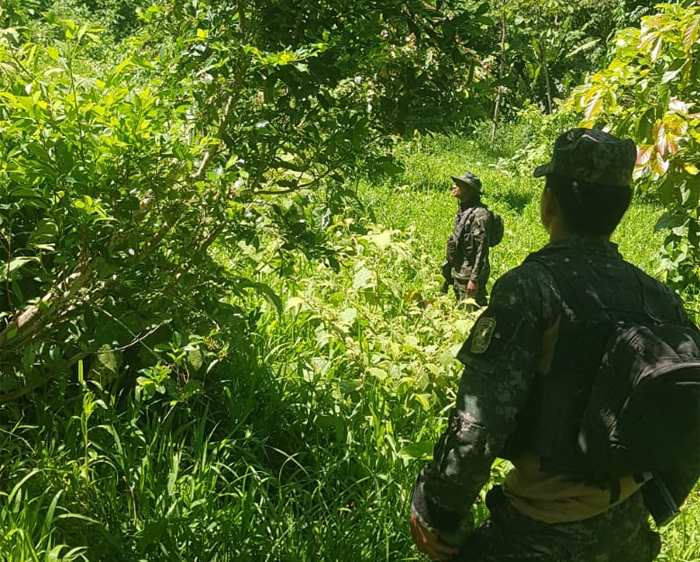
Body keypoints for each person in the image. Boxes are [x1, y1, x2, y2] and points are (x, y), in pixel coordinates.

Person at [410, 128, 699, 561]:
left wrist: (437, 510)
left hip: (536, 533)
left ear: (549, 201)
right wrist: (659, 498)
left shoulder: (530, 290)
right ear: (620, 208)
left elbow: (480, 422)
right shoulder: (659, 298)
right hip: (627, 531)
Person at [443, 171, 491, 306]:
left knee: (473, 313)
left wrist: (474, 279)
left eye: (458, 184)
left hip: (470, 276)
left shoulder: (480, 215)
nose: (454, 186)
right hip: (459, 273)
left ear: (469, 189)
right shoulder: (463, 211)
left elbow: (482, 249)